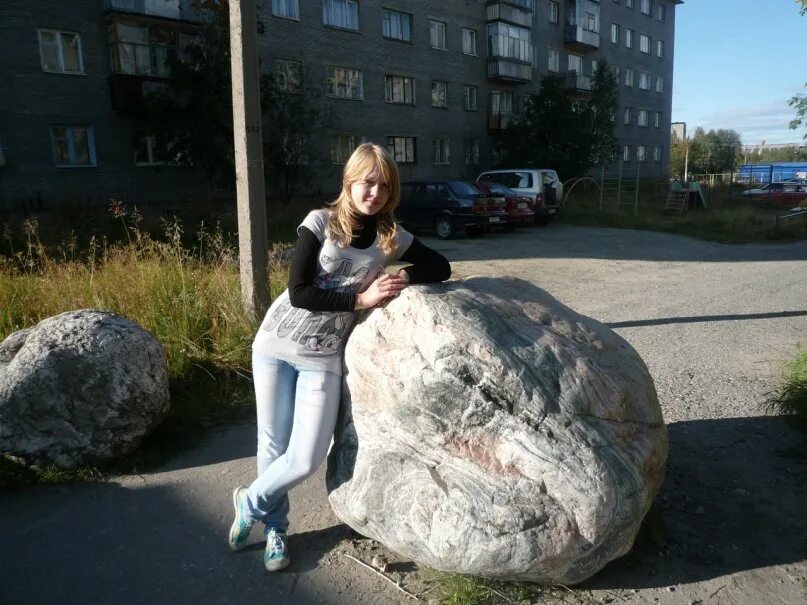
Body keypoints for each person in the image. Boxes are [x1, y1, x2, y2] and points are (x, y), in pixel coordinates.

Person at [228, 143, 451, 571]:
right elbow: (300, 292)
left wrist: (401, 275)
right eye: (368, 182)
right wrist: (362, 297)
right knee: (272, 444)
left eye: (384, 186)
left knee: (307, 456)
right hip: (275, 345)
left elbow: (439, 266)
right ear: (349, 182)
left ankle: (249, 501)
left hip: (322, 357)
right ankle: (276, 527)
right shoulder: (319, 223)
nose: (375, 193)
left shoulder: (391, 238)